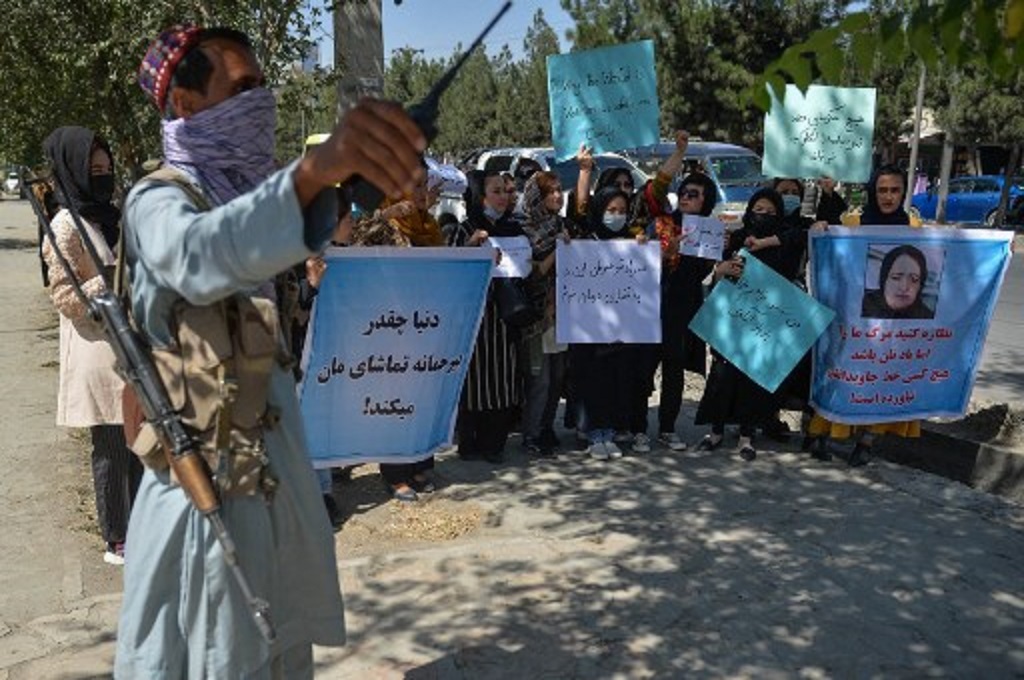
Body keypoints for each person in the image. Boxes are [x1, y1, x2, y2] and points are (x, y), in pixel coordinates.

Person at [115, 24, 426, 678]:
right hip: (204, 499)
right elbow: (205, 256)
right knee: (215, 656)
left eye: (262, 85)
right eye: (242, 87)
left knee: (283, 651)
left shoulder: (254, 202)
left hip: (272, 485)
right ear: (185, 104)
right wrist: (313, 174)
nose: (261, 101)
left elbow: (260, 252)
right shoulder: (158, 201)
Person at [41, 126, 144, 566]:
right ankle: (116, 536)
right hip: (96, 349)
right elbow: (62, 294)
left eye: (106, 169)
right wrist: (108, 280)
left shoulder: (111, 215)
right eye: (93, 170)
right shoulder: (64, 225)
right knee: (110, 448)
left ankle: (143, 524)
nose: (101, 176)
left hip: (129, 346)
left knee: (139, 441)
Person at [808, 164, 923, 466]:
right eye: (882, 190)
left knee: (882, 377)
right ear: (873, 191)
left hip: (893, 326)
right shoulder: (854, 221)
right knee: (840, 372)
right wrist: (823, 227)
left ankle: (867, 441)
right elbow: (833, 244)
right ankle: (821, 435)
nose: (888, 196)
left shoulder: (912, 226)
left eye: (895, 190)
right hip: (853, 320)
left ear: (903, 192)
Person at [694, 188, 802, 462]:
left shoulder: (783, 241)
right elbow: (717, 271)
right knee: (721, 374)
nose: (761, 215)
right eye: (758, 209)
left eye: (769, 211)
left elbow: (802, 235)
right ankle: (716, 430)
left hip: (764, 321)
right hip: (732, 318)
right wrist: (721, 270)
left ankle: (746, 435)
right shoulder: (737, 237)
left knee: (752, 377)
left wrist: (764, 243)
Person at [370, 165, 445, 500]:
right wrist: (386, 215)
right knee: (394, 396)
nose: (419, 193)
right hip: (391, 324)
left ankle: (419, 462)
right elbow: (356, 240)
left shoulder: (428, 223)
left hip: (424, 321)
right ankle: (394, 472)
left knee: (421, 394)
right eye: (413, 186)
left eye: (423, 186)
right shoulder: (384, 221)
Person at [643, 131, 719, 452]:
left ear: (706, 202)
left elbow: (701, 274)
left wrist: (716, 263)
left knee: (674, 371)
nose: (686, 198)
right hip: (650, 308)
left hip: (681, 311)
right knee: (643, 369)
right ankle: (635, 427)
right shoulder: (663, 222)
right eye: (684, 192)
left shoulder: (710, 232)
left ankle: (667, 428)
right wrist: (679, 153)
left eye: (694, 194)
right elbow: (655, 187)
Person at [568, 187, 652, 459]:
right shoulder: (585, 240)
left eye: (622, 211)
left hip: (621, 328)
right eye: (611, 210)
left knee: (617, 378)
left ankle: (611, 431)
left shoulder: (631, 242)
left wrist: (643, 250)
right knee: (592, 378)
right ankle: (594, 433)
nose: (617, 216)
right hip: (589, 329)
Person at [448, 164, 524, 464]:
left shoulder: (514, 230)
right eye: (495, 192)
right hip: (474, 322)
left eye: (505, 191)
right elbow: (452, 273)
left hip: (505, 321)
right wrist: (471, 249)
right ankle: (470, 442)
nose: (503, 197)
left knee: (502, 383)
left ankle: (495, 444)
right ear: (480, 197)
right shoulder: (464, 230)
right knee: (474, 384)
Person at [519, 170, 569, 457]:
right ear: (537, 196)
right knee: (541, 380)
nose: (557, 196)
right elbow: (533, 273)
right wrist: (557, 251)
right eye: (550, 192)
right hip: (538, 318)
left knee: (558, 376)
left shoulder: (562, 225)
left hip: (562, 315)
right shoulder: (524, 228)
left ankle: (546, 428)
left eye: (559, 190)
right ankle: (531, 434)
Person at [861, 244, 934, 319]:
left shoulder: (928, 317)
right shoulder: (861, 304)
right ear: (884, 279)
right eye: (896, 277)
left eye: (914, 279)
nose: (904, 287)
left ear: (920, 285)